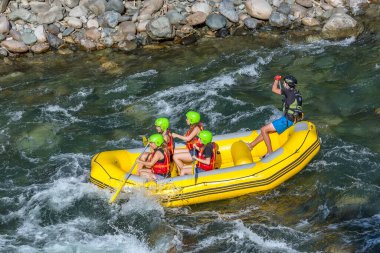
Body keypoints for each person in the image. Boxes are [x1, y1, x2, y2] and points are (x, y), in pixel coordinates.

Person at [247, 75, 303, 156]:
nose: (283, 83)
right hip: (292, 119)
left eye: (284, 82)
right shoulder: (295, 92)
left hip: (287, 121)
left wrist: (276, 80)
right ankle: (251, 145)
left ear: (287, 84)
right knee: (266, 129)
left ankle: (270, 152)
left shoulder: (288, 92)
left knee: (263, 129)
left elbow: (274, 89)